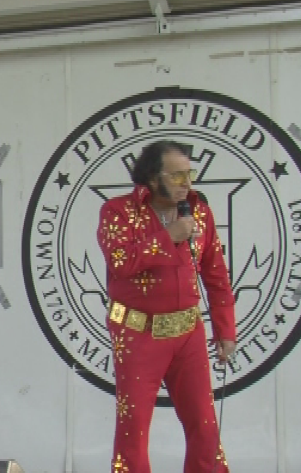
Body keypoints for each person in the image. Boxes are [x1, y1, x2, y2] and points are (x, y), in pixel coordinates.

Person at [97, 140, 236, 473]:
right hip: (137, 331)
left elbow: (216, 273)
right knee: (134, 429)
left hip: (188, 331)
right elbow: (121, 262)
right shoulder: (118, 211)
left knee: (204, 425)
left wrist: (225, 329)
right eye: (177, 177)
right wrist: (168, 236)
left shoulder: (199, 210)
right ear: (151, 177)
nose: (187, 184)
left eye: (189, 175)